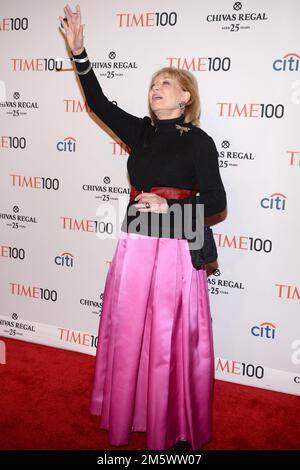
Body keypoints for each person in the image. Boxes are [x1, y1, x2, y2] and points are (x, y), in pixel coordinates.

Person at [59, 4, 227, 451]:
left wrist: (169, 208)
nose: (157, 89)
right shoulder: (142, 133)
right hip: (136, 238)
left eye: (166, 84)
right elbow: (98, 103)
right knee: (131, 328)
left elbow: (218, 202)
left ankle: (173, 421)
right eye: (153, 84)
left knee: (171, 336)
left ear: (185, 97)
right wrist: (80, 54)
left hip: (178, 242)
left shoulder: (201, 142)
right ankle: (129, 411)